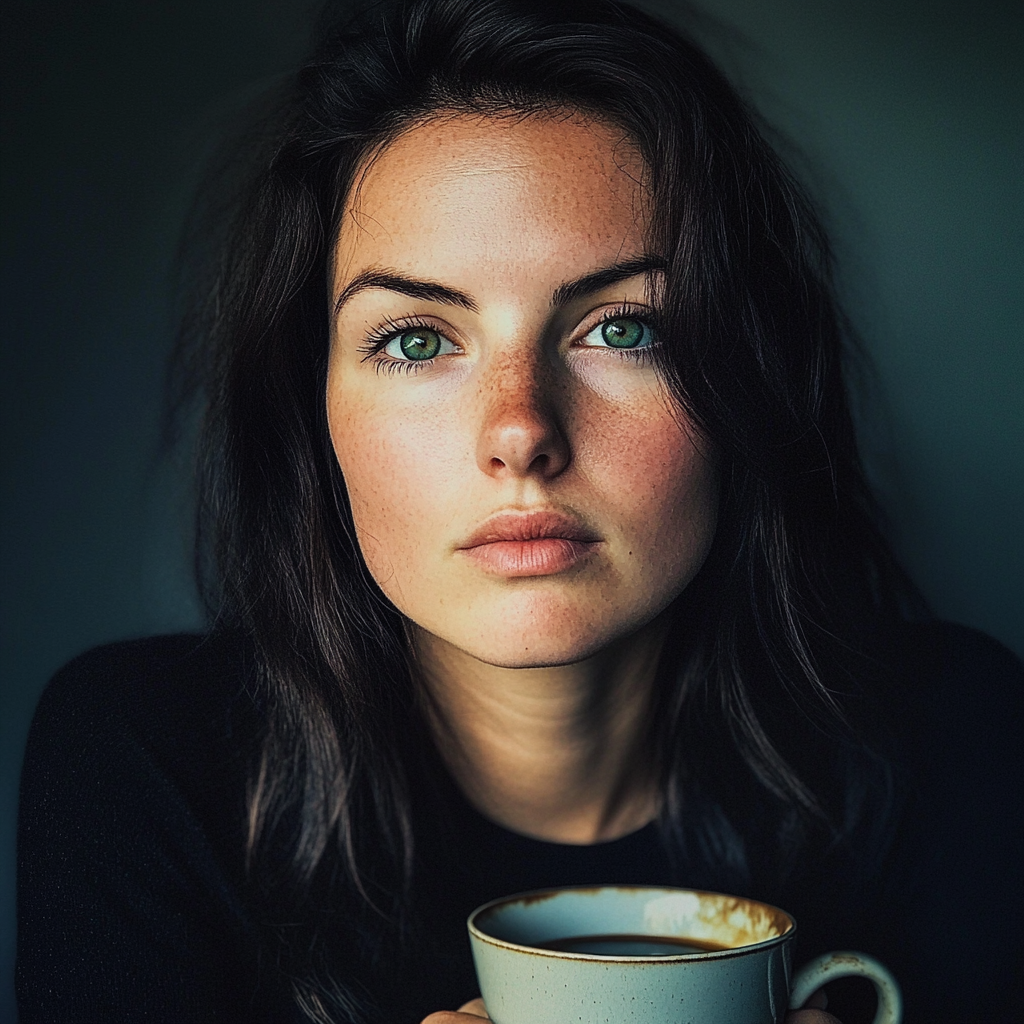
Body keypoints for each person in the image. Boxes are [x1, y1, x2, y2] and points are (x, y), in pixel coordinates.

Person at [15, 0, 1022, 1021]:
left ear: (744, 382)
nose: (519, 432)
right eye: (416, 339)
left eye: (622, 327)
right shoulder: (143, 766)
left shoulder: (955, 743)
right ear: (312, 412)